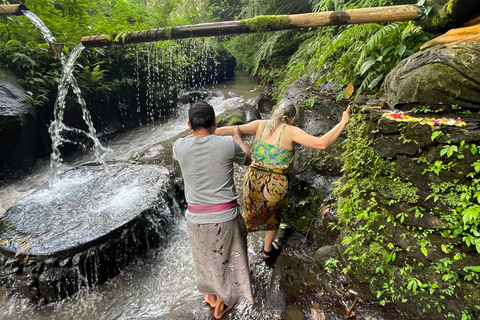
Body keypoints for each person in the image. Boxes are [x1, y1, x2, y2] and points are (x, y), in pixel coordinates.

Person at [215, 102, 350, 263]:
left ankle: (232, 253)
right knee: (273, 216)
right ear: (291, 118)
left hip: (252, 180)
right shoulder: (292, 131)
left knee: (248, 216)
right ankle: (266, 252)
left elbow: (230, 130)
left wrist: (200, 133)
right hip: (275, 185)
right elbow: (321, 143)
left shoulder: (260, 125)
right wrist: (343, 122)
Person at [172, 101, 254, 319]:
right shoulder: (227, 143)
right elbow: (248, 159)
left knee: (205, 258)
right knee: (228, 259)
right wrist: (238, 138)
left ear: (189, 124)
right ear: (215, 121)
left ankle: (211, 295)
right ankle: (223, 304)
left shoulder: (179, 146)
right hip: (225, 217)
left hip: (195, 219)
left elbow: (192, 139)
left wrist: (198, 134)